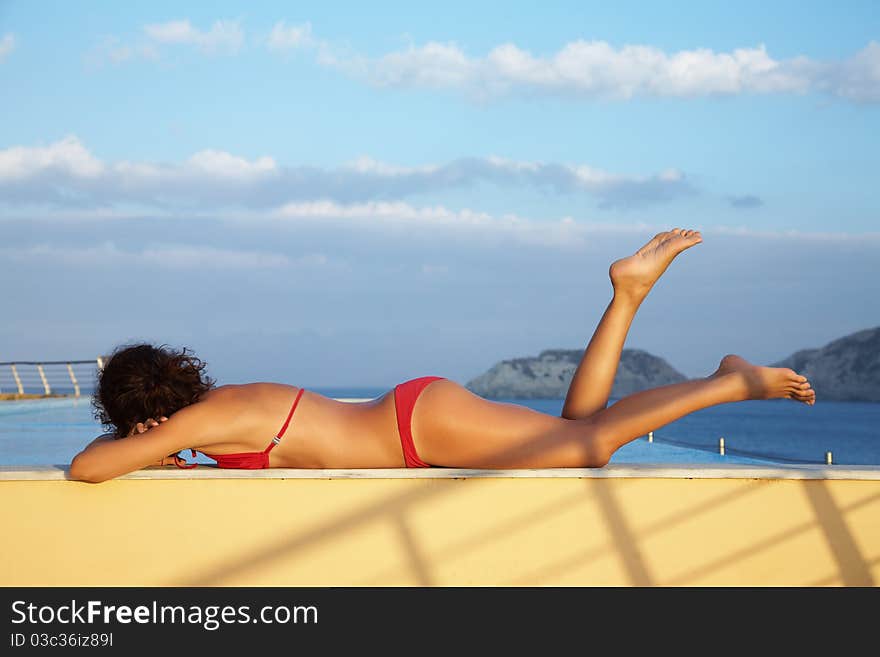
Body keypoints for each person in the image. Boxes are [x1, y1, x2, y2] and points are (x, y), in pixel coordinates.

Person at [70, 228, 815, 483]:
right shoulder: (224, 401)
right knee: (578, 425)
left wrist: (136, 445)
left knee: (591, 447)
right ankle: (627, 295)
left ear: (147, 415)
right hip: (413, 412)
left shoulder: (195, 424)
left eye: (139, 425)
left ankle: (730, 381)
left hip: (415, 431)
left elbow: (86, 468)